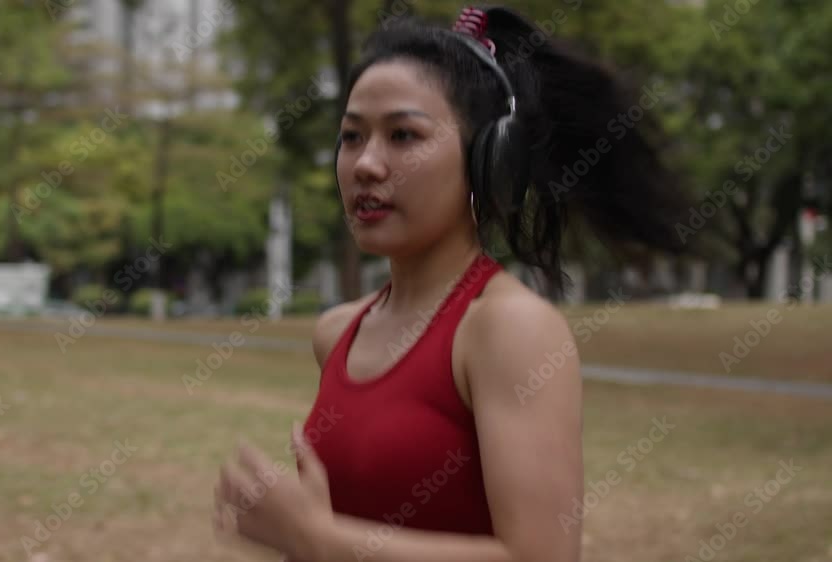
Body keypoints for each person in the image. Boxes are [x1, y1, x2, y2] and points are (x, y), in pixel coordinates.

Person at [213, 5, 694, 561]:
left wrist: (314, 538)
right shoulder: (336, 333)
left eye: (403, 134)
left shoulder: (510, 330)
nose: (366, 163)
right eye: (351, 136)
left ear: (489, 159)